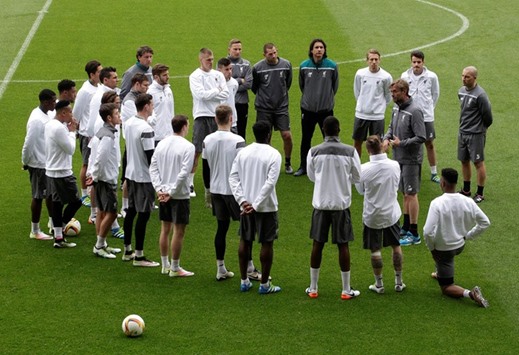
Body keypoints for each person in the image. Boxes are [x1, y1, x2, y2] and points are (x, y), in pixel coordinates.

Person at [305, 116, 361, 300]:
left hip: (321, 204)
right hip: (340, 205)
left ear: (323, 129)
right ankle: (346, 290)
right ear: (339, 129)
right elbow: (357, 177)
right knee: (343, 245)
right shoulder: (351, 151)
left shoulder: (313, 152)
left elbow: (312, 177)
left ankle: (313, 288)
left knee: (317, 244)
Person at [423, 168, 490, 308]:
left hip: (444, 250)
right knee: (442, 257)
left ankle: (471, 294)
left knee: (446, 287)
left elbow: (427, 231)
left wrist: (432, 249)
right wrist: (468, 236)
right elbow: (485, 223)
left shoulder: (437, 203)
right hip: (460, 245)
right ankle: (439, 272)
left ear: (442, 183)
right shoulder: (468, 201)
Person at [229, 121, 282, 294]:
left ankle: (244, 280)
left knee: (245, 240)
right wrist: (257, 204)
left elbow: (233, 178)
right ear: (269, 134)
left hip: (245, 207)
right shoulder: (274, 154)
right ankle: (265, 284)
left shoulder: (243, 153)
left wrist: (243, 201)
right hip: (266, 207)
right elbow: (270, 182)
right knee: (267, 243)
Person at [355, 135, 405, 294]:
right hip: (391, 213)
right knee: (396, 245)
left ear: (368, 150)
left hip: (373, 215)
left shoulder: (363, 169)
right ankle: (399, 282)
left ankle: (379, 284)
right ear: (381, 146)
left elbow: (360, 191)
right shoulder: (395, 165)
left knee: (375, 249)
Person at [203, 105, 247, 281]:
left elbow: (205, 168)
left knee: (221, 228)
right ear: (231, 119)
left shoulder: (208, 139)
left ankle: (220, 268)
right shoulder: (238, 140)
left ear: (215, 119)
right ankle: (249, 266)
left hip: (216, 190)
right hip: (234, 191)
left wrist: (207, 189)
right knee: (246, 230)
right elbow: (243, 167)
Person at [150, 115, 195, 277]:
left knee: (165, 229)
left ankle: (164, 265)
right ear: (184, 127)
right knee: (179, 231)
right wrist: (172, 191)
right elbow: (184, 173)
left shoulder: (161, 144)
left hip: (163, 193)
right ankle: (175, 268)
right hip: (179, 195)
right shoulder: (188, 147)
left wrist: (159, 189)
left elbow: (153, 168)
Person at [383, 79, 426, 247]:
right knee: (404, 193)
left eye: (395, 92)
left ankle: (414, 233)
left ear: (404, 92)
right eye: (391, 92)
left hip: (411, 160)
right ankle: (406, 226)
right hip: (398, 157)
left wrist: (402, 143)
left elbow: (421, 136)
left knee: (411, 194)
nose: (392, 95)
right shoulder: (396, 108)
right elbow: (391, 127)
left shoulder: (415, 111)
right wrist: (386, 138)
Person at [123, 93, 159, 267]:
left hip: (131, 174)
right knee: (143, 215)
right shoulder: (146, 129)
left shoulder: (129, 123)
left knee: (131, 211)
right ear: (146, 106)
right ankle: (139, 256)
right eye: (152, 105)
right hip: (144, 177)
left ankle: (127, 249)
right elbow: (150, 156)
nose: (153, 107)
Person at [295, 39, 339, 177]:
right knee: (306, 138)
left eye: (321, 47)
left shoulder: (332, 66)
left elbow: (334, 86)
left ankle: (332, 166)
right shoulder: (304, 66)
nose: (319, 50)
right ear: (312, 50)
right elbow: (302, 86)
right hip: (308, 110)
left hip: (326, 110)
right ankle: (303, 166)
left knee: (330, 138)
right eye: (316, 47)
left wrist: (326, 99)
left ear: (324, 50)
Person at [189, 48, 229, 197]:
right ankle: (190, 182)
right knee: (197, 150)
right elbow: (200, 95)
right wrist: (217, 91)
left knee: (220, 148)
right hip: (201, 115)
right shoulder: (195, 76)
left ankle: (219, 180)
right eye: (208, 60)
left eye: (212, 59)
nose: (211, 62)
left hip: (217, 115)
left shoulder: (218, 75)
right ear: (201, 59)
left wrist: (213, 92)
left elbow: (225, 93)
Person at [87, 103, 123, 259]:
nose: (119, 116)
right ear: (109, 118)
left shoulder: (103, 132)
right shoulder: (107, 136)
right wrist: (96, 176)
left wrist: (93, 175)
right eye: (117, 113)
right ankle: (99, 245)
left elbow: (94, 155)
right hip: (106, 179)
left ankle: (102, 243)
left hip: (101, 178)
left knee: (101, 211)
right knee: (112, 213)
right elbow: (101, 158)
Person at [45, 101, 82, 248]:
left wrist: (68, 130)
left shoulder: (50, 125)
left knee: (57, 203)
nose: (72, 115)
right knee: (76, 201)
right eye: (70, 112)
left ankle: (58, 237)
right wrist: (72, 131)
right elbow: (70, 149)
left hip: (51, 170)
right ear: (63, 113)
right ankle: (60, 227)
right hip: (62, 171)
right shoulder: (59, 129)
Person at [251, 43, 294, 174]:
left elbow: (288, 83)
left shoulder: (286, 65)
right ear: (264, 55)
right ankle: (267, 164)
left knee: (286, 135)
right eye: (270, 54)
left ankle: (287, 162)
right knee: (266, 137)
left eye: (275, 52)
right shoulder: (258, 68)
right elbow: (255, 87)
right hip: (264, 108)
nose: (273, 56)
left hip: (281, 107)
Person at [21, 89, 57, 240]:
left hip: (46, 162)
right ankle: (35, 230)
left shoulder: (46, 114)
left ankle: (53, 223)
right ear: (45, 102)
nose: (55, 103)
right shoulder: (37, 120)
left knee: (49, 195)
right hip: (38, 164)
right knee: (38, 196)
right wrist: (25, 161)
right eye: (53, 101)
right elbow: (29, 143)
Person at [401, 50, 441, 183]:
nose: (416, 65)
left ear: (423, 62)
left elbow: (435, 94)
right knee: (408, 143)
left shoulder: (431, 77)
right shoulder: (405, 76)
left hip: (426, 117)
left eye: (419, 62)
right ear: (411, 62)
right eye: (414, 62)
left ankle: (434, 172)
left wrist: (428, 109)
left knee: (429, 144)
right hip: (409, 116)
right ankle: (408, 170)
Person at [457, 66, 493, 203]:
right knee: (464, 161)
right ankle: (466, 190)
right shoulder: (461, 91)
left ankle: (480, 193)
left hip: (476, 134)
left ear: (474, 78)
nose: (464, 79)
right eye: (462, 76)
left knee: (478, 162)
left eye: (467, 77)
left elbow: (488, 116)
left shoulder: (480, 95)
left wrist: (481, 129)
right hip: (462, 132)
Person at [120, 73, 150, 217]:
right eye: (145, 85)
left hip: (137, 138)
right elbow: (142, 120)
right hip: (132, 141)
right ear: (136, 84)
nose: (147, 88)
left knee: (132, 173)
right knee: (129, 176)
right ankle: (125, 206)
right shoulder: (130, 101)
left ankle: (133, 204)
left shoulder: (138, 99)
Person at [73, 60, 102, 208]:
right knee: (86, 163)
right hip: (86, 133)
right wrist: (78, 131)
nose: (101, 74)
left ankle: (93, 191)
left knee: (95, 163)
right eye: (99, 72)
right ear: (92, 74)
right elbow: (76, 113)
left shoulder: (98, 87)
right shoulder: (85, 91)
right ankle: (84, 193)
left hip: (97, 133)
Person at [352, 49, 392, 158]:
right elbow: (357, 91)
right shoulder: (360, 74)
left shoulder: (386, 76)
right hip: (361, 114)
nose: (373, 62)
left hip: (377, 116)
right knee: (357, 142)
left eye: (376, 59)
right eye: (371, 59)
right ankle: (357, 168)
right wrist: (363, 105)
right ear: (367, 61)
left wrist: (379, 107)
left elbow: (388, 96)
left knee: (377, 144)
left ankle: (376, 168)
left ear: (379, 60)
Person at [227, 39, 253, 140]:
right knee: (227, 132)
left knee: (241, 132)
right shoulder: (223, 63)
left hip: (242, 103)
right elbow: (222, 83)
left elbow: (249, 84)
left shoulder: (246, 64)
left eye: (239, 49)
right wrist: (240, 80)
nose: (238, 51)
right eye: (235, 49)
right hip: (228, 104)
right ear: (229, 49)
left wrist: (232, 84)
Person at [147, 63, 174, 144]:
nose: (168, 77)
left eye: (168, 74)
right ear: (156, 77)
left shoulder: (168, 89)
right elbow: (147, 114)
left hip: (170, 135)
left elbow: (171, 111)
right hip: (157, 137)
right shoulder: (150, 92)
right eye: (164, 75)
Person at [217, 57, 239, 135]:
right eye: (226, 69)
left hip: (232, 122)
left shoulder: (234, 83)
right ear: (219, 71)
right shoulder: (214, 83)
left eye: (230, 69)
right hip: (219, 121)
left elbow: (233, 96)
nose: (229, 72)